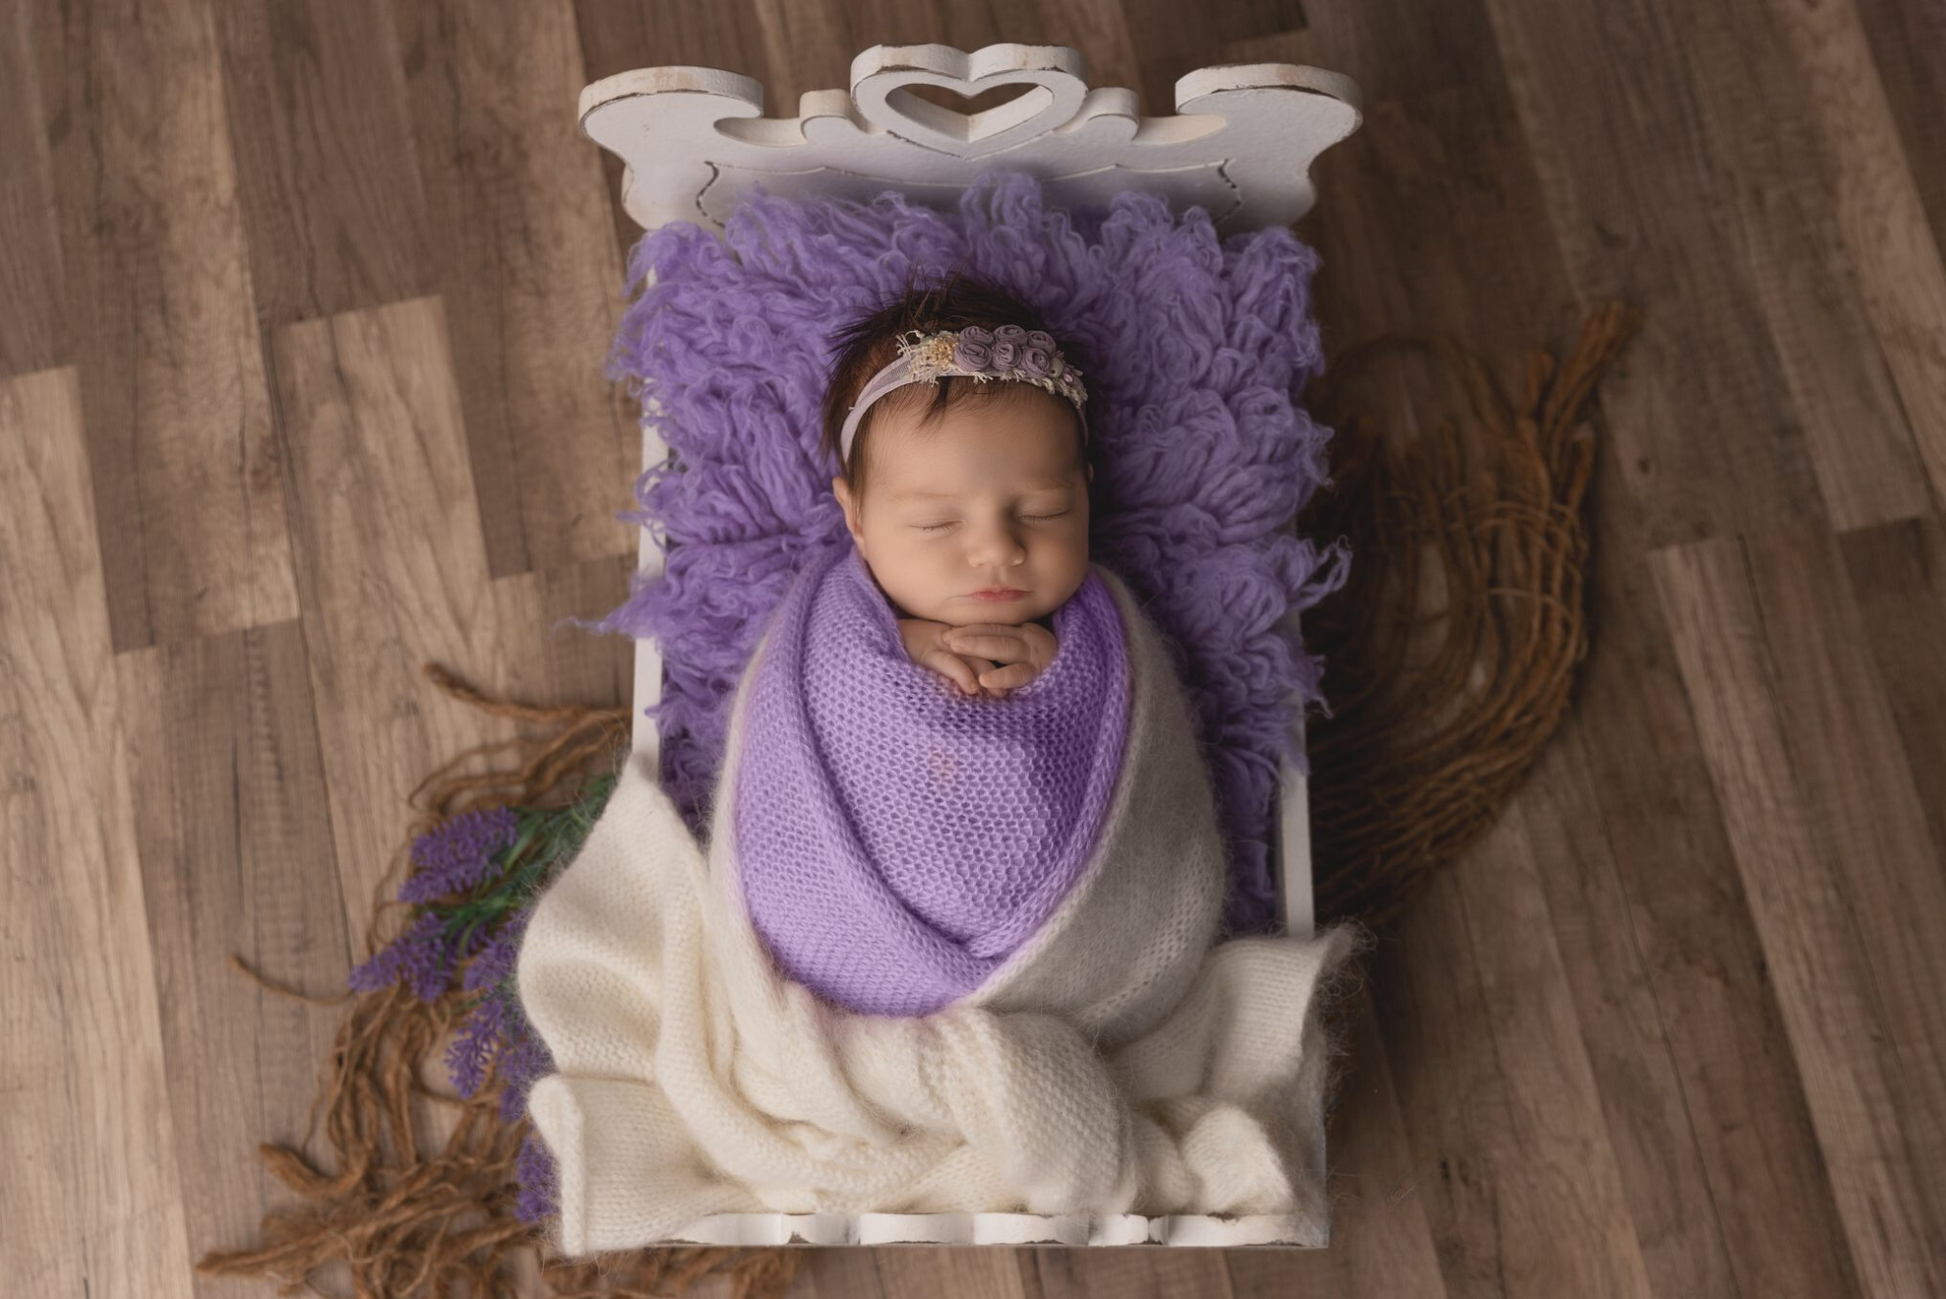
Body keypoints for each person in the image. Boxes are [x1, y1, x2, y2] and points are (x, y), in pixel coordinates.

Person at [820, 271, 1097, 699]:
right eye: (937, 522)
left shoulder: (1102, 638)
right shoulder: (826, 631)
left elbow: (1145, 725)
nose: (998, 550)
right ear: (855, 517)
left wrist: (1073, 678)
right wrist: (876, 658)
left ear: (1086, 496)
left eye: (1043, 512)